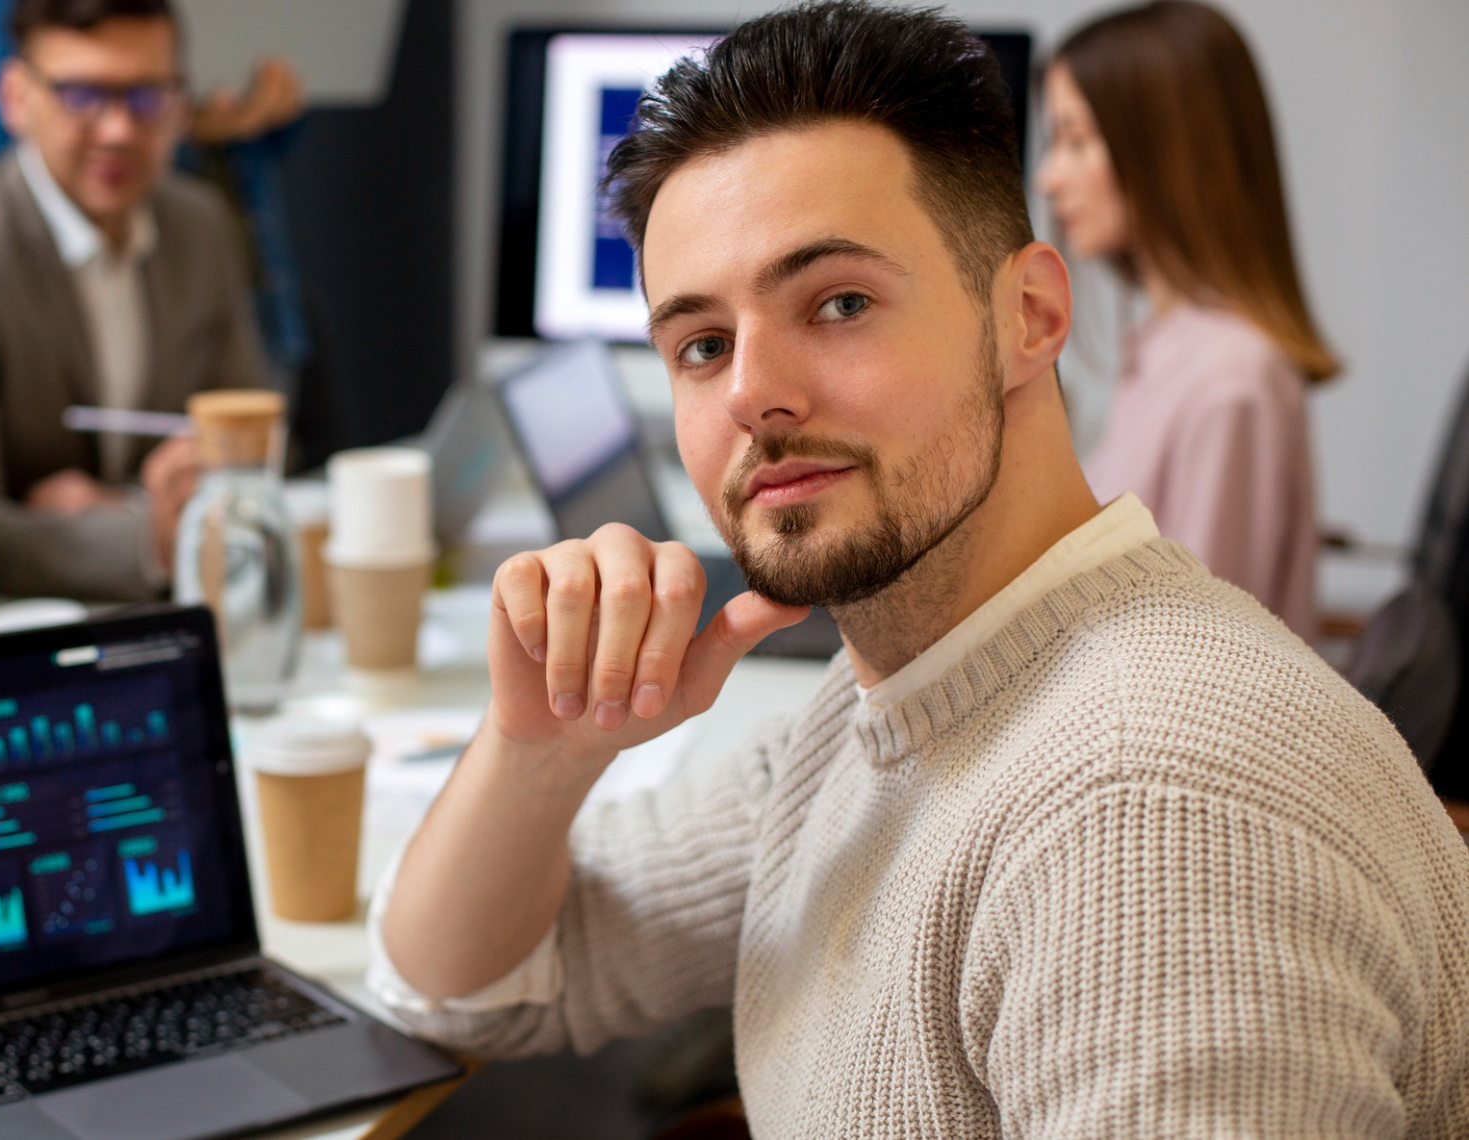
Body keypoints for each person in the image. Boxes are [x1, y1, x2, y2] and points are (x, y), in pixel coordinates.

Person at [369, 3, 1469, 1136]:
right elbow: (464, 986)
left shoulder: (1154, 812)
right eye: (700, 344)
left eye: (837, 303)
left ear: (1028, 316)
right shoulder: (882, 705)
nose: (750, 393)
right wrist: (540, 750)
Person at [0, 0, 274, 602]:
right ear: (16, 98)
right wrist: (145, 534)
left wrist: (113, 510)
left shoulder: (200, 227)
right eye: (82, 95)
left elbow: (256, 443)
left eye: (148, 97)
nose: (119, 129)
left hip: (193, 613)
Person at [1038, 0, 1337, 640]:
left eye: (1075, 139)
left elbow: (1202, 653)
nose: (1049, 176)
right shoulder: (1168, 351)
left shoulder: (1230, 382)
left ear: (1165, 151)